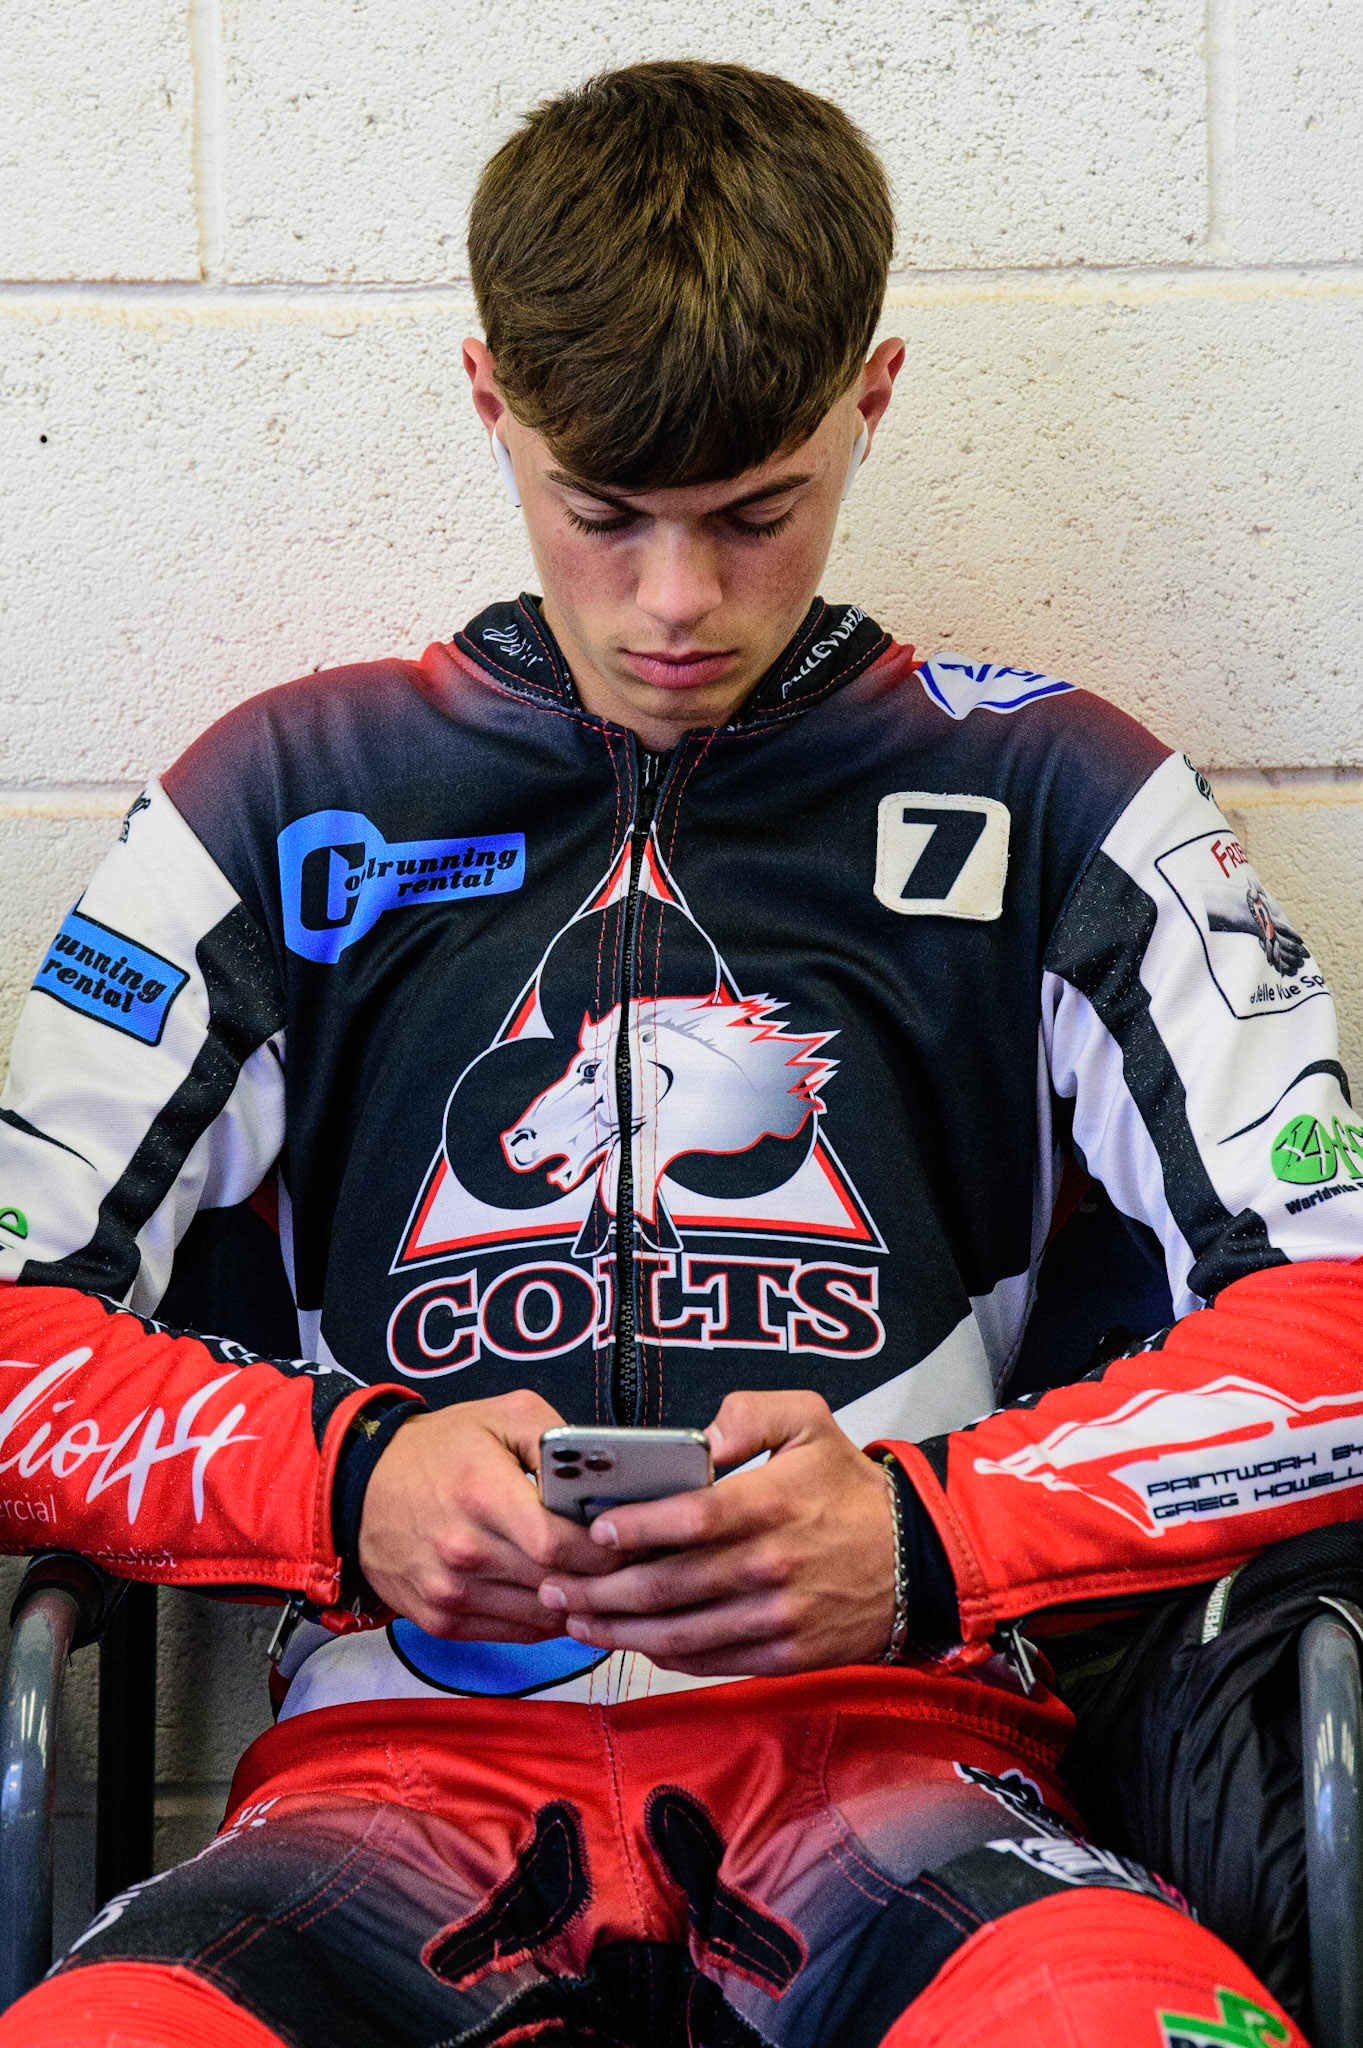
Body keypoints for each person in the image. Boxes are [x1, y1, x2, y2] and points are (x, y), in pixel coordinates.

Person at [0, 57, 1354, 2048]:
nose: (672, 602)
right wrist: (343, 1476)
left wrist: (928, 1532)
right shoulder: (279, 799)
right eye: (602, 510)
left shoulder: (1067, 795)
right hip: (382, 1788)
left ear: (866, 402)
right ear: (492, 403)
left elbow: (1337, 1329)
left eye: (753, 513)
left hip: (923, 1776)